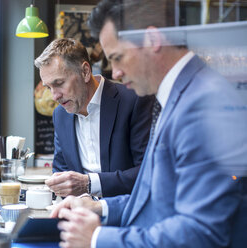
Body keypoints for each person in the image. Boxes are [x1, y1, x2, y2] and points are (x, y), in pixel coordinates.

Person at [51, 0, 247, 247]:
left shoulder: (202, 104)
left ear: (152, 40)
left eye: (118, 57)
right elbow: (155, 198)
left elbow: (201, 233)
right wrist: (98, 206)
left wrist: (98, 239)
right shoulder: (178, 95)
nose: (117, 73)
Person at [34, 38, 154, 197]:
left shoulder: (134, 100)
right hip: (78, 213)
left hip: (125, 213)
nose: (54, 96)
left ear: (85, 72)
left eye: (59, 83)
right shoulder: (60, 115)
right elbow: (61, 171)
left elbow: (148, 172)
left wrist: (89, 184)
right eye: (49, 87)